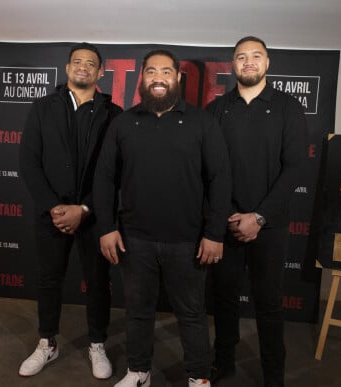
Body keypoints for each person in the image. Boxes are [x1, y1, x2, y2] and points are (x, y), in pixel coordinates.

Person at [93, 49, 232, 387]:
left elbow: (221, 179)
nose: (158, 77)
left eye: (166, 72)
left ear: (177, 78)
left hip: (187, 242)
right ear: (142, 78)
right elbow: (104, 179)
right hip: (135, 239)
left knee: (192, 314)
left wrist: (215, 233)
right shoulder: (124, 122)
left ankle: (198, 377)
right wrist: (107, 228)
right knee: (138, 311)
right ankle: (139, 371)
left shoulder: (203, 122)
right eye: (151, 71)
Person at [206, 36, 309, 387]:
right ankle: (223, 363)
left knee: (268, 304)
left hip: (270, 226)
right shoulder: (216, 110)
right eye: (240, 57)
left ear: (267, 63)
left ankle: (273, 375)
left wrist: (259, 217)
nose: (248, 62)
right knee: (223, 300)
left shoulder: (288, 107)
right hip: (226, 224)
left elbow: (294, 168)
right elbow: (211, 169)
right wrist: (229, 216)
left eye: (256, 56)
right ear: (232, 65)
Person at [18, 42, 122, 379]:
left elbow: (116, 170)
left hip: (95, 215)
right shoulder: (43, 108)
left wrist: (85, 207)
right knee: (49, 280)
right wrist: (53, 207)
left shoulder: (114, 113)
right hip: (52, 215)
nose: (83, 67)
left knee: (97, 281)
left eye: (90, 63)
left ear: (100, 72)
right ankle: (47, 343)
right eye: (77, 62)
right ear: (67, 69)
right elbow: (29, 162)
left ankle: (97, 343)